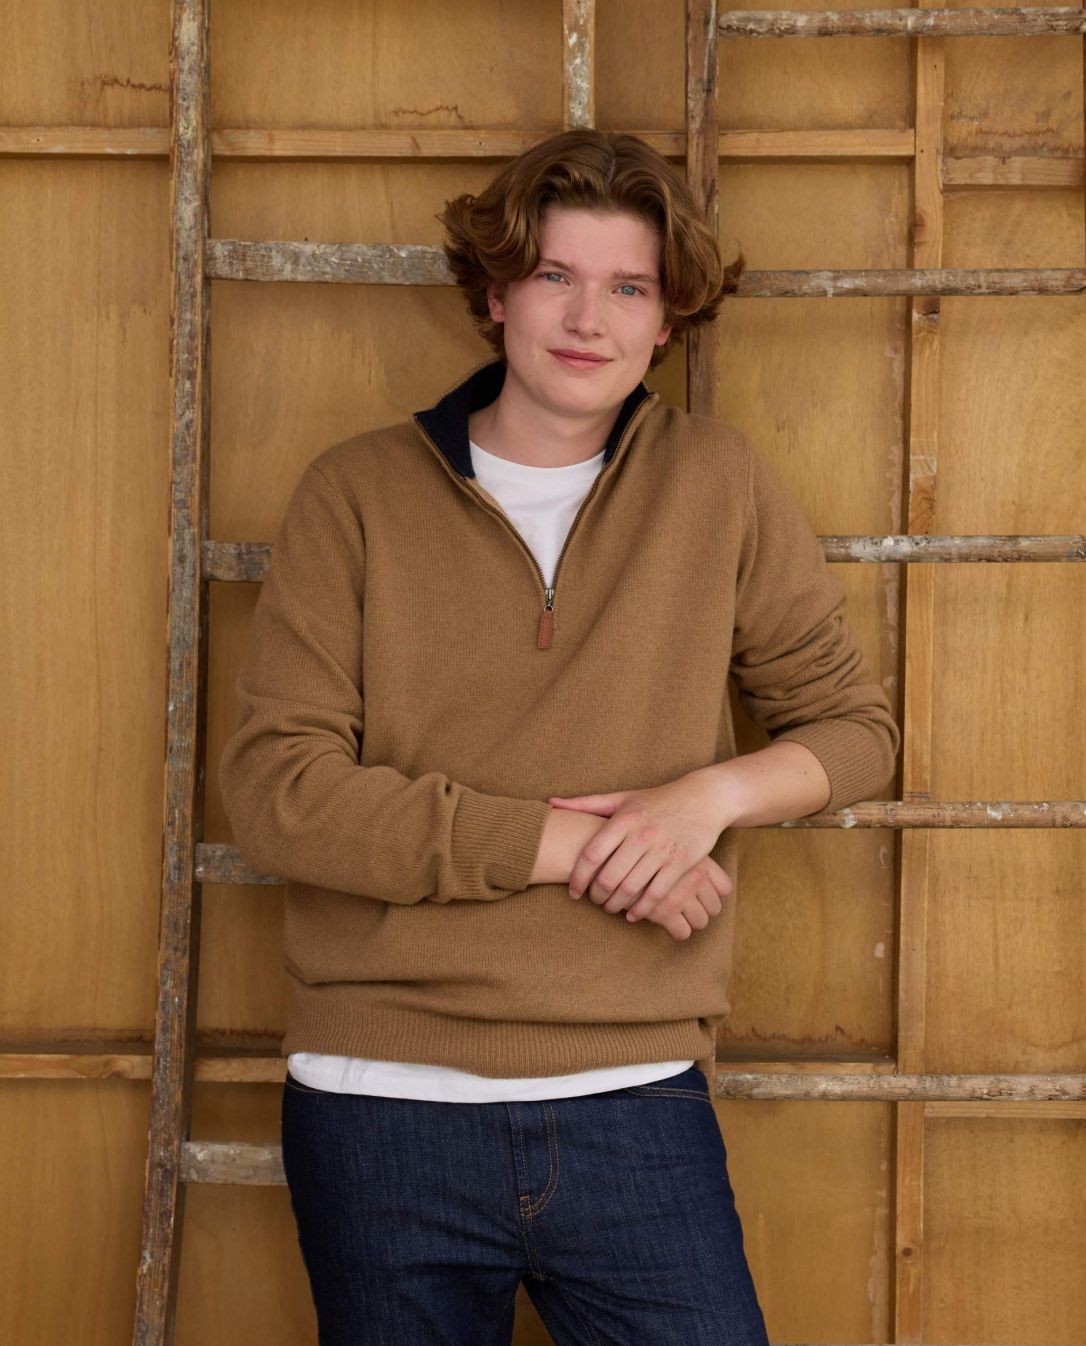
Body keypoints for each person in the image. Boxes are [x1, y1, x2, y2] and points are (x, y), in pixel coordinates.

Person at [219, 128, 900, 1344]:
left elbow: (855, 729)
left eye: (628, 287)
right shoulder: (355, 493)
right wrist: (579, 845)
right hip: (380, 1103)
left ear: (668, 318)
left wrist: (697, 802)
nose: (589, 318)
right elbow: (279, 794)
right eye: (554, 276)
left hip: (632, 1096)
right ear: (497, 293)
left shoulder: (719, 482)